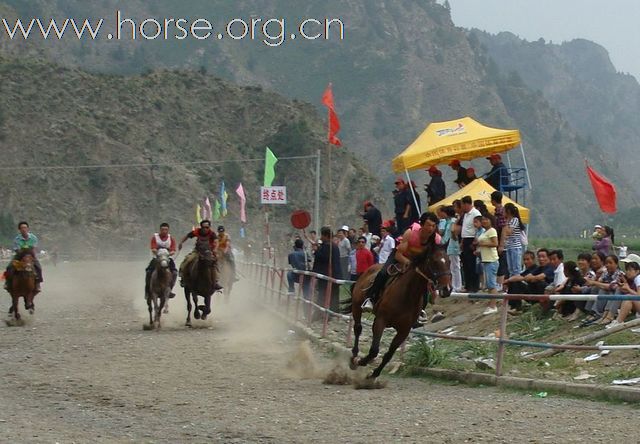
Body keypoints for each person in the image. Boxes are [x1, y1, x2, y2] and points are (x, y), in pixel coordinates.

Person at [362, 212, 439, 312]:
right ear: (422, 224)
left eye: (433, 226)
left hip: (416, 260)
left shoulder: (436, 239)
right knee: (383, 272)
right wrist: (408, 263)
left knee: (423, 280)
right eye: (428, 225)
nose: (431, 229)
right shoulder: (410, 233)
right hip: (400, 255)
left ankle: (421, 310)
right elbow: (399, 255)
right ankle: (370, 298)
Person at [177, 220, 222, 291]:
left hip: (208, 252)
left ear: (209, 227)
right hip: (197, 251)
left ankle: (216, 281)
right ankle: (183, 277)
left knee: (215, 263)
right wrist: (181, 243)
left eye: (207, 227)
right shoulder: (197, 231)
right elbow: (187, 236)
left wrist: (215, 249)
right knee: (188, 259)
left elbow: (216, 242)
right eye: (203, 227)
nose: (205, 229)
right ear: (201, 227)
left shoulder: (212, 233)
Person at [4, 221, 43, 292]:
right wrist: (23, 251)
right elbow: (17, 250)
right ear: (19, 230)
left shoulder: (33, 238)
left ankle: (38, 283)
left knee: (38, 267)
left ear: (28, 229)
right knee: (9, 267)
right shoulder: (17, 239)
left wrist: (31, 255)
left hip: (31, 254)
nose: (24, 229)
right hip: (20, 255)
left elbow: (34, 248)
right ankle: (8, 283)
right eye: (22, 228)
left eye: (25, 227)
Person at [312, 227, 342, 313]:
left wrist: (316, 251)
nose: (321, 237)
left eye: (322, 235)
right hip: (333, 274)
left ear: (326, 236)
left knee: (323, 295)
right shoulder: (332, 246)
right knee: (333, 295)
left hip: (329, 274)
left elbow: (324, 258)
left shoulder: (329, 246)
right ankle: (332, 312)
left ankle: (322, 312)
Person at [144, 223, 178, 299]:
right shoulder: (155, 237)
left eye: (166, 229)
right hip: (157, 257)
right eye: (163, 229)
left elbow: (173, 249)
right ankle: (148, 290)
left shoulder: (171, 238)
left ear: (168, 230)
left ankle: (170, 289)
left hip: (167, 258)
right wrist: (158, 253)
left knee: (175, 272)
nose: (164, 231)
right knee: (149, 271)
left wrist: (169, 253)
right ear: (160, 230)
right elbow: (153, 248)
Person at [477, 215, 500, 314]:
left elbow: (495, 243)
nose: (484, 221)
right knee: (489, 284)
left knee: (491, 284)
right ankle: (491, 304)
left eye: (486, 219)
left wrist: (483, 245)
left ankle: (493, 306)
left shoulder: (492, 231)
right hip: (486, 260)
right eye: (483, 220)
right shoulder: (484, 231)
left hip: (491, 260)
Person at [460, 196, 481, 293]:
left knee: (472, 264)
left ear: (466, 204)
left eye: (462, 205)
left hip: (472, 239)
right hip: (465, 239)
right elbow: (465, 229)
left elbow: (478, 228)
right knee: (466, 264)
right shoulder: (466, 214)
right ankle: (467, 285)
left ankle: (474, 286)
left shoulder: (475, 213)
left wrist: (475, 241)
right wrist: (462, 241)